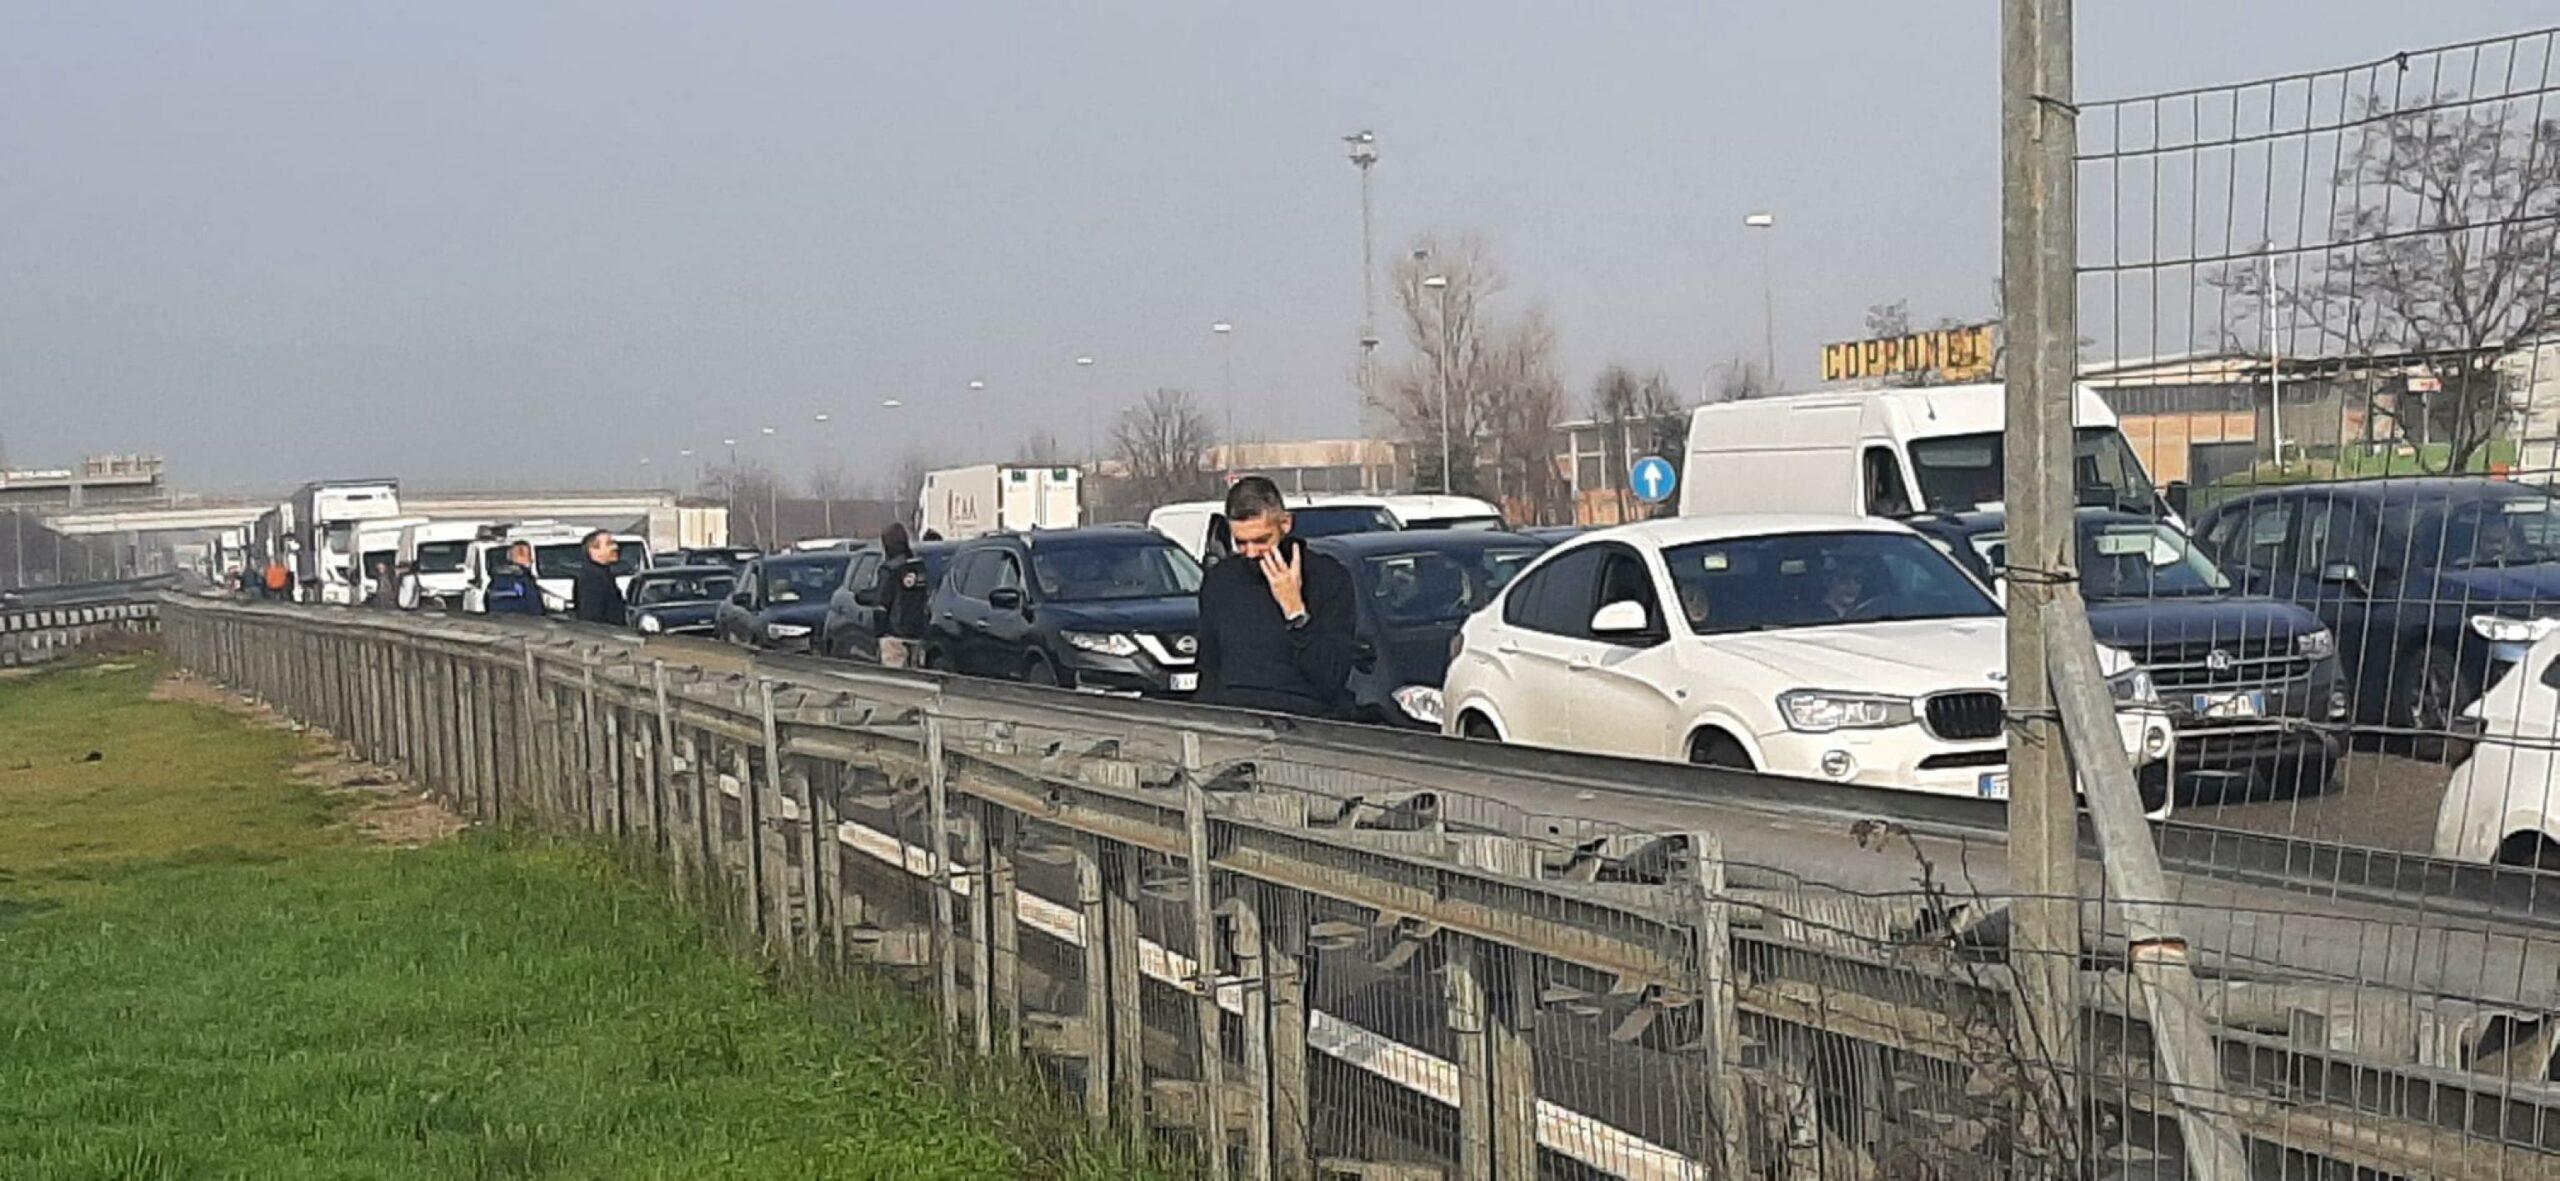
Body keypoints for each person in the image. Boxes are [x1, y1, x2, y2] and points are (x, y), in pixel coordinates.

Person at [1195, 476, 1356, 719]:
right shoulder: (1220, 581)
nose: (1251, 553)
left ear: (1285, 524)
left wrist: (1295, 610)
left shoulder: (1328, 578)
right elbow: (1209, 668)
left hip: (1306, 724)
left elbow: (1331, 676)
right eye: (1240, 542)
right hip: (1235, 724)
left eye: (1261, 541)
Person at [878, 522, 931, 669]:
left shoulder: (889, 569)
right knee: (917, 676)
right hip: (919, 630)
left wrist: (881, 630)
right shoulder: (919, 567)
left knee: (896, 681)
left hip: (895, 633)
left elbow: (883, 601)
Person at [571, 529, 627, 624]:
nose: (616, 547)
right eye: (609, 544)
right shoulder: (591, 578)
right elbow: (591, 617)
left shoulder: (605, 574)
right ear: (593, 550)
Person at [486, 540, 544, 616]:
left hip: (500, 621)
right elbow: (534, 605)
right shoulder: (524, 579)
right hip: (522, 622)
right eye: (523, 554)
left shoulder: (496, 578)